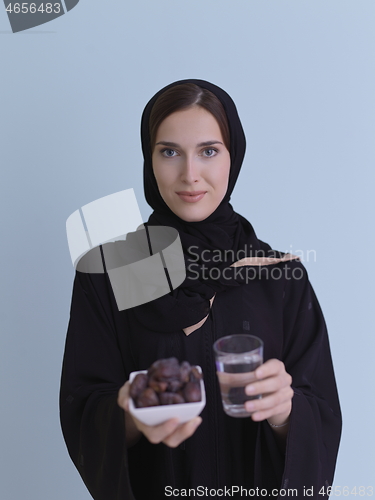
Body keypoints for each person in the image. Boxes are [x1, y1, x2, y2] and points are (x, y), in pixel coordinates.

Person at [59, 79, 342, 500]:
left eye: (209, 151)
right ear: (149, 159)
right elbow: (82, 405)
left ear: (234, 156)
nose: (190, 175)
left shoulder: (279, 277)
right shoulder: (109, 273)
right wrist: (132, 412)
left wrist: (285, 412)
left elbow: (320, 412)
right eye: (169, 152)